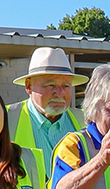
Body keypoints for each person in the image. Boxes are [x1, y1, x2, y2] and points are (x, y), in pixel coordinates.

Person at [7, 48, 86, 180]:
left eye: (66, 86)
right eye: (51, 85)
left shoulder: (86, 121)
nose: (59, 93)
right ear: (28, 86)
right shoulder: (4, 119)